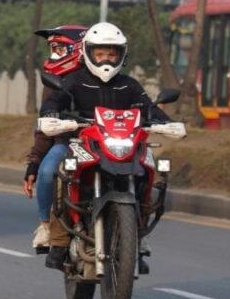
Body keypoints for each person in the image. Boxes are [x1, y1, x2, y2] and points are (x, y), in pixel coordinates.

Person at [36, 22, 178, 271]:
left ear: (121, 55)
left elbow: (149, 108)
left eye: (112, 54)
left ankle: (138, 236)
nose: (106, 59)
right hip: (83, 144)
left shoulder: (129, 85)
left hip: (123, 145)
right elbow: (57, 99)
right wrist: (51, 113)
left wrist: (168, 123)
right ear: (88, 53)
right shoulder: (74, 81)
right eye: (100, 53)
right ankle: (57, 241)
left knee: (148, 172)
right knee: (62, 178)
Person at [23, 24, 87, 251]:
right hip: (67, 144)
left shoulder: (107, 78)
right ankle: (45, 226)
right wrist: (33, 164)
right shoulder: (54, 83)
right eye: (52, 48)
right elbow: (44, 127)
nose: (53, 55)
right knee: (48, 172)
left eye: (59, 49)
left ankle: (135, 230)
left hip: (102, 145)